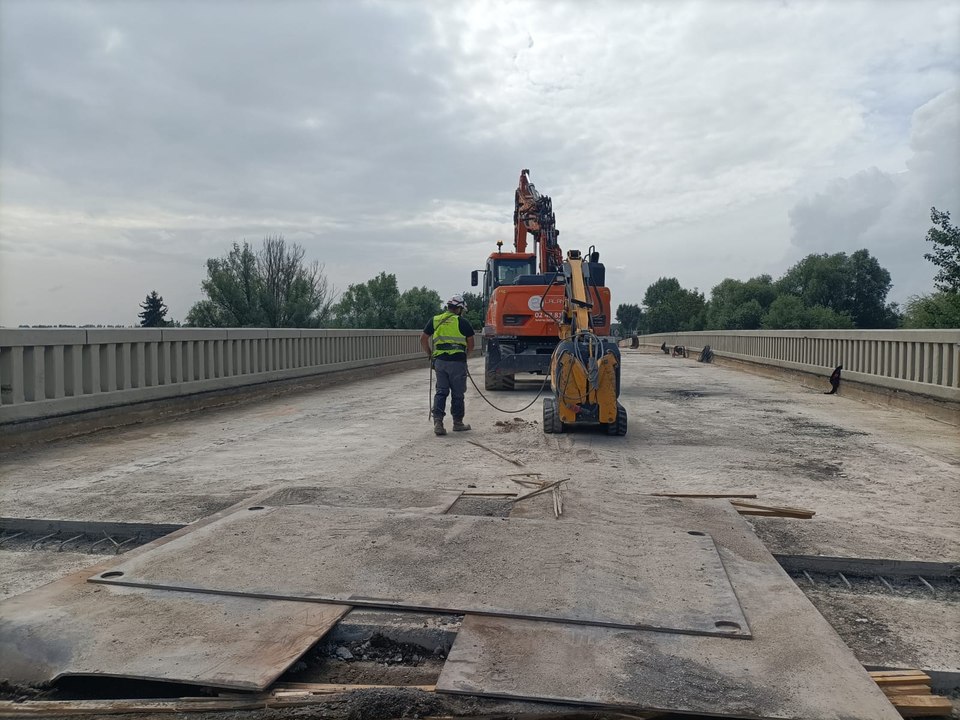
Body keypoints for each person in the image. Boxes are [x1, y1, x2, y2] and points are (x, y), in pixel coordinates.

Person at [421, 294, 476, 436]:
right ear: (458, 309)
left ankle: (438, 423)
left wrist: (430, 354)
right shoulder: (462, 322)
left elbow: (423, 338)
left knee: (441, 391)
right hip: (457, 363)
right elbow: (471, 344)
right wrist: (465, 356)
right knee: (458, 394)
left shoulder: (435, 320)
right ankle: (458, 423)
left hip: (440, 362)